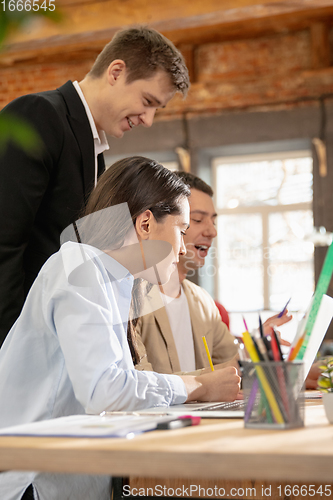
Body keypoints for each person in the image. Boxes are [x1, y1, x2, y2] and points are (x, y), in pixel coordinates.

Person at [0, 157, 240, 500]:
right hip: (35, 482)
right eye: (182, 229)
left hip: (73, 479)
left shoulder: (117, 280)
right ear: (145, 223)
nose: (184, 248)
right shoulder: (79, 267)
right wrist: (198, 386)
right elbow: (105, 390)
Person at [0, 26, 189, 346]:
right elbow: (5, 245)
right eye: (147, 101)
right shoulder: (39, 115)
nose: (148, 119)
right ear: (116, 72)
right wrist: (14, 350)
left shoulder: (94, 151)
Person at [135, 172, 291, 375]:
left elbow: (238, 368)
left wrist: (260, 349)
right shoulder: (132, 299)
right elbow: (138, 384)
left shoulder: (203, 302)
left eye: (213, 222)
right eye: (197, 220)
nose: (212, 232)